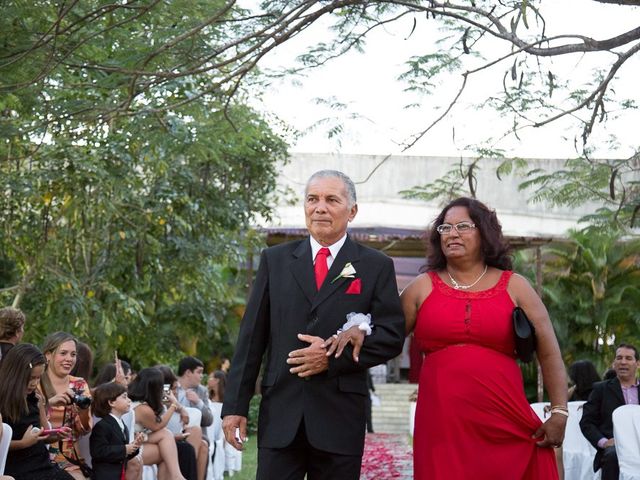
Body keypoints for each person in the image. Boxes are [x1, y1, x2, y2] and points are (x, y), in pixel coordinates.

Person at [222, 169, 405, 480]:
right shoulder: (275, 260)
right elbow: (252, 338)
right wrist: (234, 407)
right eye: (312, 199)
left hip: (340, 416)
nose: (320, 207)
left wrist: (332, 358)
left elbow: (391, 336)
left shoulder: (376, 266)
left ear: (352, 211)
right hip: (281, 414)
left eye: (332, 199)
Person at [400, 197, 567, 479]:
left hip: (504, 418)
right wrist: (357, 328)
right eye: (445, 228)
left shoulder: (516, 285)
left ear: (484, 233)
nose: (452, 233)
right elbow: (383, 339)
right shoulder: (420, 287)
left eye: (463, 226)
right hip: (443, 423)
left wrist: (560, 412)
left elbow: (549, 352)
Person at [0, 343, 73, 480]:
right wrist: (23, 443)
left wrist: (56, 434)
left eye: (38, 378)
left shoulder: (36, 399)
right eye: (31, 378)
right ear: (16, 375)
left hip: (42, 465)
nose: (34, 383)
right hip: (17, 469)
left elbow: (45, 434)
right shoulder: (3, 403)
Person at [579, 343, 640, 480]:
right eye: (619, 358)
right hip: (615, 447)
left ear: (638, 364)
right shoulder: (601, 389)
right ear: (614, 363)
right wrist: (603, 442)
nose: (623, 362)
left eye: (628, 358)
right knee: (612, 455)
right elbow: (587, 422)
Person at [40, 332, 93, 479]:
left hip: (67, 458)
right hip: (37, 454)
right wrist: (48, 403)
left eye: (73, 354)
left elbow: (84, 429)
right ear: (48, 355)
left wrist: (84, 410)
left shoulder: (79, 384)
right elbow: (25, 419)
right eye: (63, 353)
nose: (69, 359)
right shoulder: (35, 382)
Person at [127, 367, 187, 480]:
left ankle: (177, 476)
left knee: (166, 438)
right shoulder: (142, 409)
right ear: (154, 388)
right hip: (129, 447)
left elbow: (159, 422)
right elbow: (158, 425)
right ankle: (177, 476)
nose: (163, 390)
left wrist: (169, 404)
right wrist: (174, 405)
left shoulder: (136, 400)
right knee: (167, 453)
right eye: (161, 386)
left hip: (138, 439)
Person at [90, 382, 143, 480]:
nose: (129, 400)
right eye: (124, 397)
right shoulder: (102, 426)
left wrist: (135, 446)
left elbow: (123, 455)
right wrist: (124, 449)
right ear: (111, 402)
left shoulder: (122, 425)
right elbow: (97, 452)